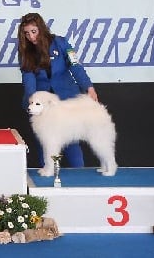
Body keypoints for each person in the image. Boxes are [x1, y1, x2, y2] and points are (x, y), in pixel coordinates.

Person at [18, 12, 98, 168]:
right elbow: (28, 78)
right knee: (43, 140)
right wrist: (32, 99)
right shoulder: (25, 51)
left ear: (41, 28)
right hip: (42, 101)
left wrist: (88, 87)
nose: (31, 37)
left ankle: (79, 172)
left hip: (66, 97)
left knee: (71, 139)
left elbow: (75, 66)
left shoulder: (61, 43)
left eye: (34, 31)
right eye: (26, 33)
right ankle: (47, 173)